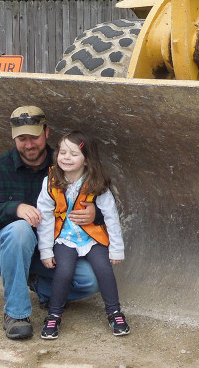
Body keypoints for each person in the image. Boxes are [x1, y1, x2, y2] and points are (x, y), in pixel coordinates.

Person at [0, 106, 103, 340]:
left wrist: (94, 215)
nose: (29, 144)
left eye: (34, 137)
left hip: (48, 251)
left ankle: (40, 286)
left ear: (46, 132)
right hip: (4, 249)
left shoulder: (65, 165)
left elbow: (97, 203)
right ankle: (16, 314)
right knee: (20, 229)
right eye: (22, 139)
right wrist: (13, 209)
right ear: (14, 138)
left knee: (90, 280)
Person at [36, 131, 128, 339]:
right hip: (65, 238)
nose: (66, 158)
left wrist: (116, 248)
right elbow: (46, 217)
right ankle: (54, 314)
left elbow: (111, 215)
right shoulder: (50, 181)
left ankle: (114, 312)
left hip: (91, 237)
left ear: (86, 160)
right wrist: (46, 249)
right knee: (64, 271)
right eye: (62, 152)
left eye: (73, 154)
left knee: (104, 269)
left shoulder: (97, 182)